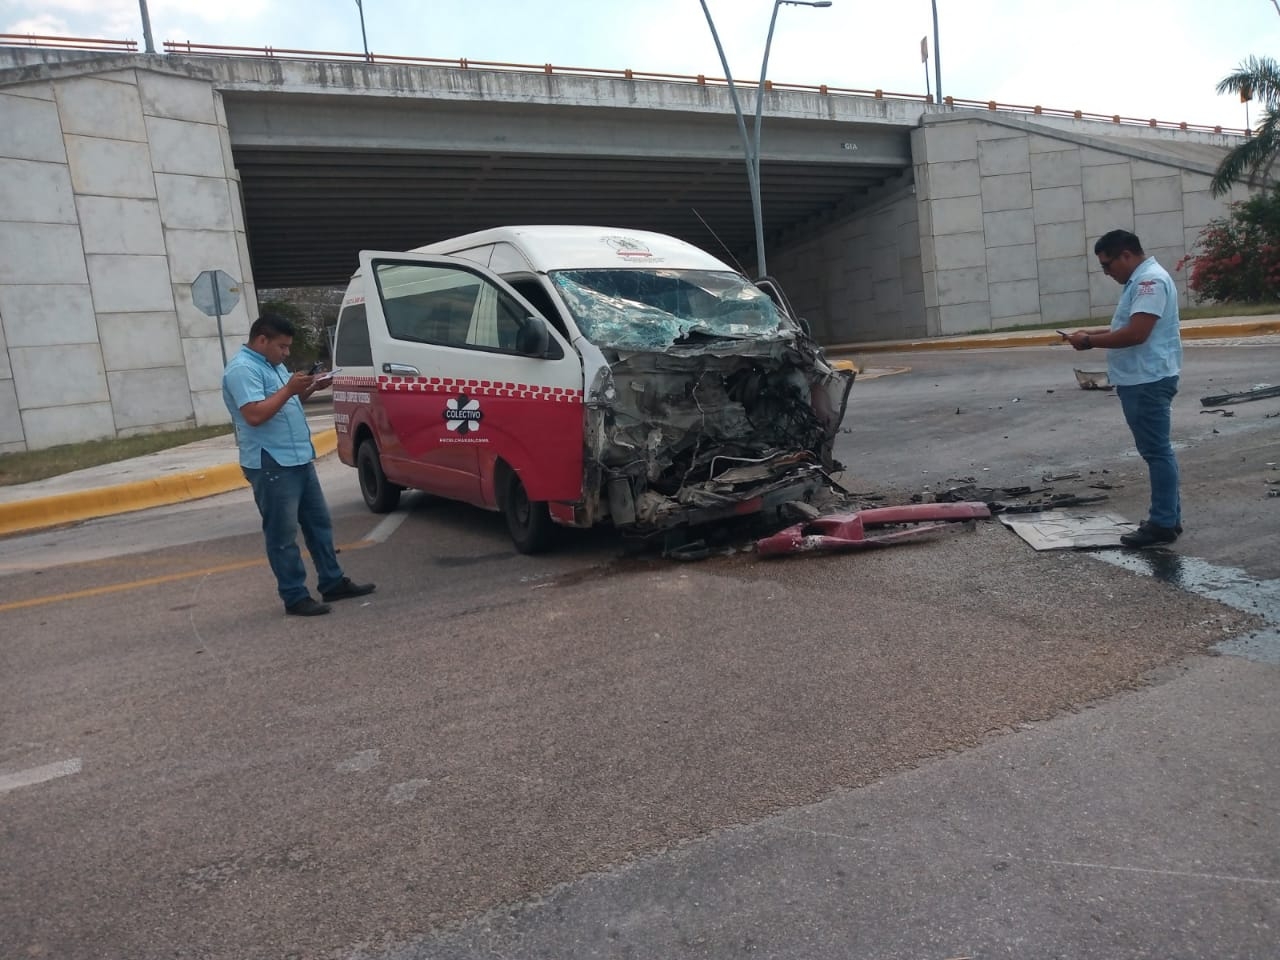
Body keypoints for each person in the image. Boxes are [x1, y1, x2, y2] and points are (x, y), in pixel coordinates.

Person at [222, 312, 375, 615]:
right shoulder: (242, 370)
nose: (286, 353)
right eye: (282, 346)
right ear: (262, 340)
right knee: (283, 534)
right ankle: (294, 596)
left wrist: (308, 388)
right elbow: (254, 415)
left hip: (297, 458)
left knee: (319, 524)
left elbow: (284, 401)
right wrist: (289, 389)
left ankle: (332, 582)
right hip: (271, 463)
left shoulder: (272, 365)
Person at [1066, 229, 1182, 548]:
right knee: (1158, 450)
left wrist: (1089, 342)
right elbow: (1127, 327)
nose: (1106, 272)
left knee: (1157, 452)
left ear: (1126, 255)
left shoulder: (1149, 282)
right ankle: (1169, 517)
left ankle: (1162, 523)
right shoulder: (1142, 280)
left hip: (1146, 379)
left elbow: (1136, 334)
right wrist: (1090, 332)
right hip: (1143, 377)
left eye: (1108, 265)